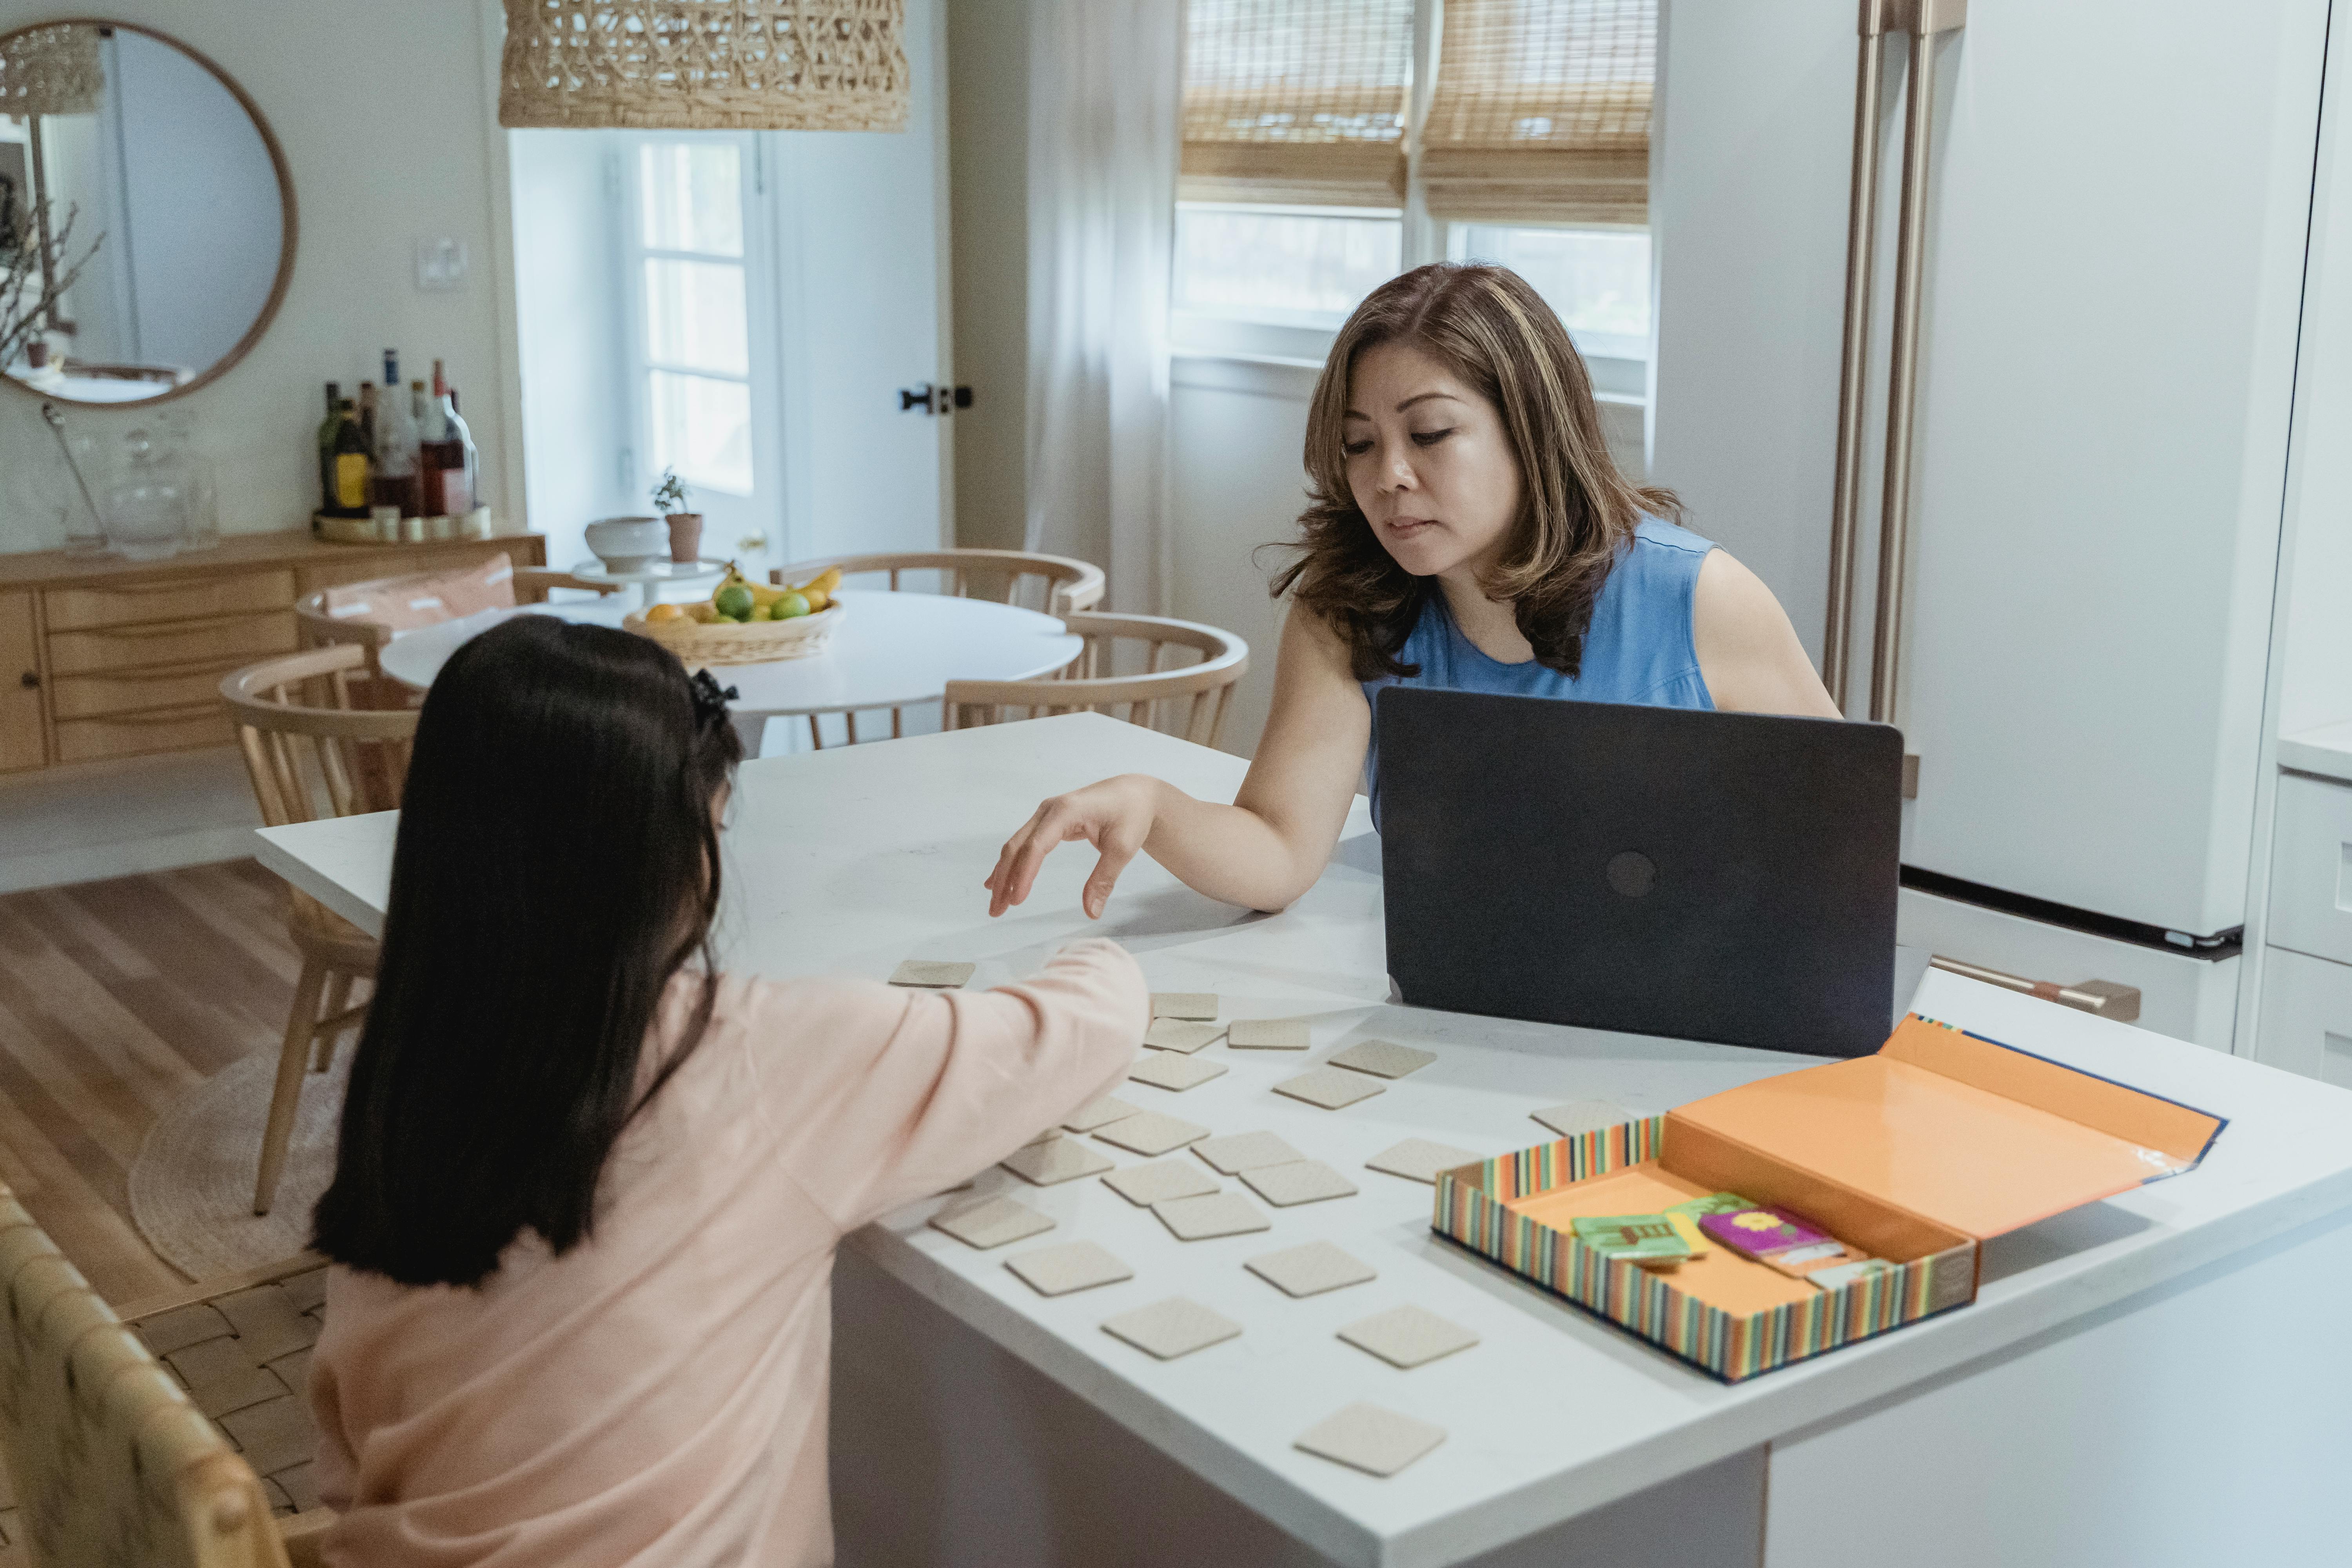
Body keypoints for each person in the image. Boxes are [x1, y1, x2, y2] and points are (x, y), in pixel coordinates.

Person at [307, 615, 1144, 1566]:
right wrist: (1099, 949)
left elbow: (345, 1463)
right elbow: (1086, 1027)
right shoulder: (756, 1053)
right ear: (681, 848)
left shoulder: (399, 1084)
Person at [985, 262, 1838, 921]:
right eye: (1360, 444)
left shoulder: (1702, 598)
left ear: (1530, 430)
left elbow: (1839, 846)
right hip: (1453, 989)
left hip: (1685, 995)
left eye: (1430, 434)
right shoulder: (1347, 607)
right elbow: (1279, 849)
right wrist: (1157, 805)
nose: (1389, 476)